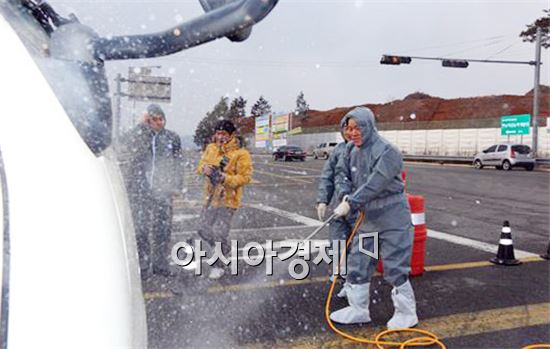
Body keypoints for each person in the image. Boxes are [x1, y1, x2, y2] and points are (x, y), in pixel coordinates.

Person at [330, 107, 418, 330]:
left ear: (368, 126)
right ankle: (358, 308)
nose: (353, 133)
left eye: (358, 128)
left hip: (392, 219)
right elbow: (342, 175)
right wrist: (344, 195)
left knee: (394, 265)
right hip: (367, 220)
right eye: (348, 128)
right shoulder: (350, 150)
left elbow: (375, 184)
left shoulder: (388, 151)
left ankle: (407, 312)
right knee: (359, 261)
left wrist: (351, 202)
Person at [119, 104, 183, 278]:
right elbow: (122, 142)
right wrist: (141, 125)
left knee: (163, 229)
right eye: (153, 118)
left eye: (161, 118)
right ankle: (143, 266)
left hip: (163, 190)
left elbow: (178, 164)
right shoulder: (139, 135)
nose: (158, 122)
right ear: (148, 119)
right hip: (139, 189)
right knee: (140, 229)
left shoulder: (172, 138)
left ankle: (160, 265)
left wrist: (176, 185)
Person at [197, 120, 253, 279]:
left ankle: (218, 265)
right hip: (210, 198)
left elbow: (245, 178)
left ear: (232, 135)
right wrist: (204, 169)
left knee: (219, 232)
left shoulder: (241, 154)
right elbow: (200, 166)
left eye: (223, 134)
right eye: (218, 133)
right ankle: (224, 249)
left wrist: (225, 178)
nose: (220, 137)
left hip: (228, 200)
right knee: (202, 229)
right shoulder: (210, 148)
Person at [316, 118, 355, 286]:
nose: (349, 132)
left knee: (360, 245)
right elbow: (327, 177)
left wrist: (353, 201)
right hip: (339, 207)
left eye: (353, 128)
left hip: (358, 208)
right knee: (337, 241)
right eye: (346, 128)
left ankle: (356, 283)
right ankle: (342, 274)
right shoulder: (338, 151)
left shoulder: (367, 151)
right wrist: (323, 200)